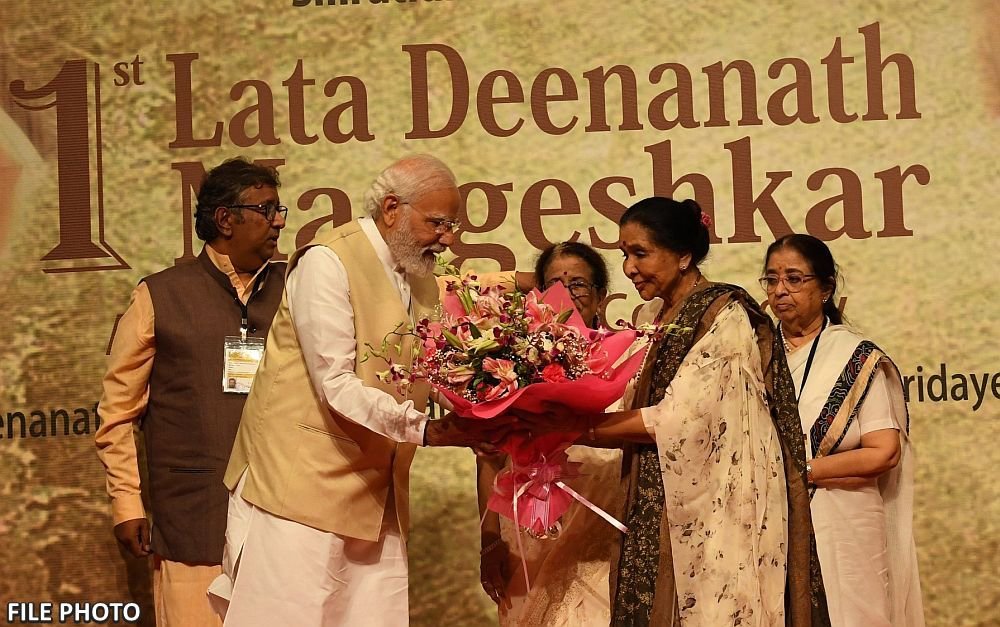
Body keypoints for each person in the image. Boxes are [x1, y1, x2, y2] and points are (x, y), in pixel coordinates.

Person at [208, 154, 509, 627]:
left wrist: (487, 414)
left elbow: (431, 370)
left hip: (375, 493)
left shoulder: (419, 274)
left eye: (452, 225)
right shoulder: (327, 262)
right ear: (392, 208)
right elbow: (337, 385)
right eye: (438, 223)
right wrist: (429, 432)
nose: (449, 239)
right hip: (299, 494)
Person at [515, 197, 829, 626]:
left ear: (683, 255)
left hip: (717, 514)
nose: (628, 267)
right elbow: (627, 401)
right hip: (655, 499)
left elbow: (678, 420)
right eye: (624, 254)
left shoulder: (725, 315)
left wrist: (575, 428)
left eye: (640, 253)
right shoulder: (651, 317)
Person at [94, 157, 288, 627]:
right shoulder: (159, 295)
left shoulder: (295, 287)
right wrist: (127, 503)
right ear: (225, 219)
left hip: (284, 523)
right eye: (266, 210)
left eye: (280, 210)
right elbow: (117, 414)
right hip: (194, 521)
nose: (278, 222)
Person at [761, 234, 924, 627]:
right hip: (772, 519)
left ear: (826, 288)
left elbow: (883, 452)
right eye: (771, 279)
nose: (781, 290)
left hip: (843, 516)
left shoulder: (857, 356)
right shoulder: (757, 356)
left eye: (794, 279)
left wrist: (803, 472)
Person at [476, 241, 623, 626]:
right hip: (528, 536)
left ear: (601, 295)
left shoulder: (628, 357)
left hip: (603, 531)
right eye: (554, 285)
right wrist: (489, 539)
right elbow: (490, 458)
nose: (566, 294)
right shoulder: (513, 365)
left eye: (578, 284)